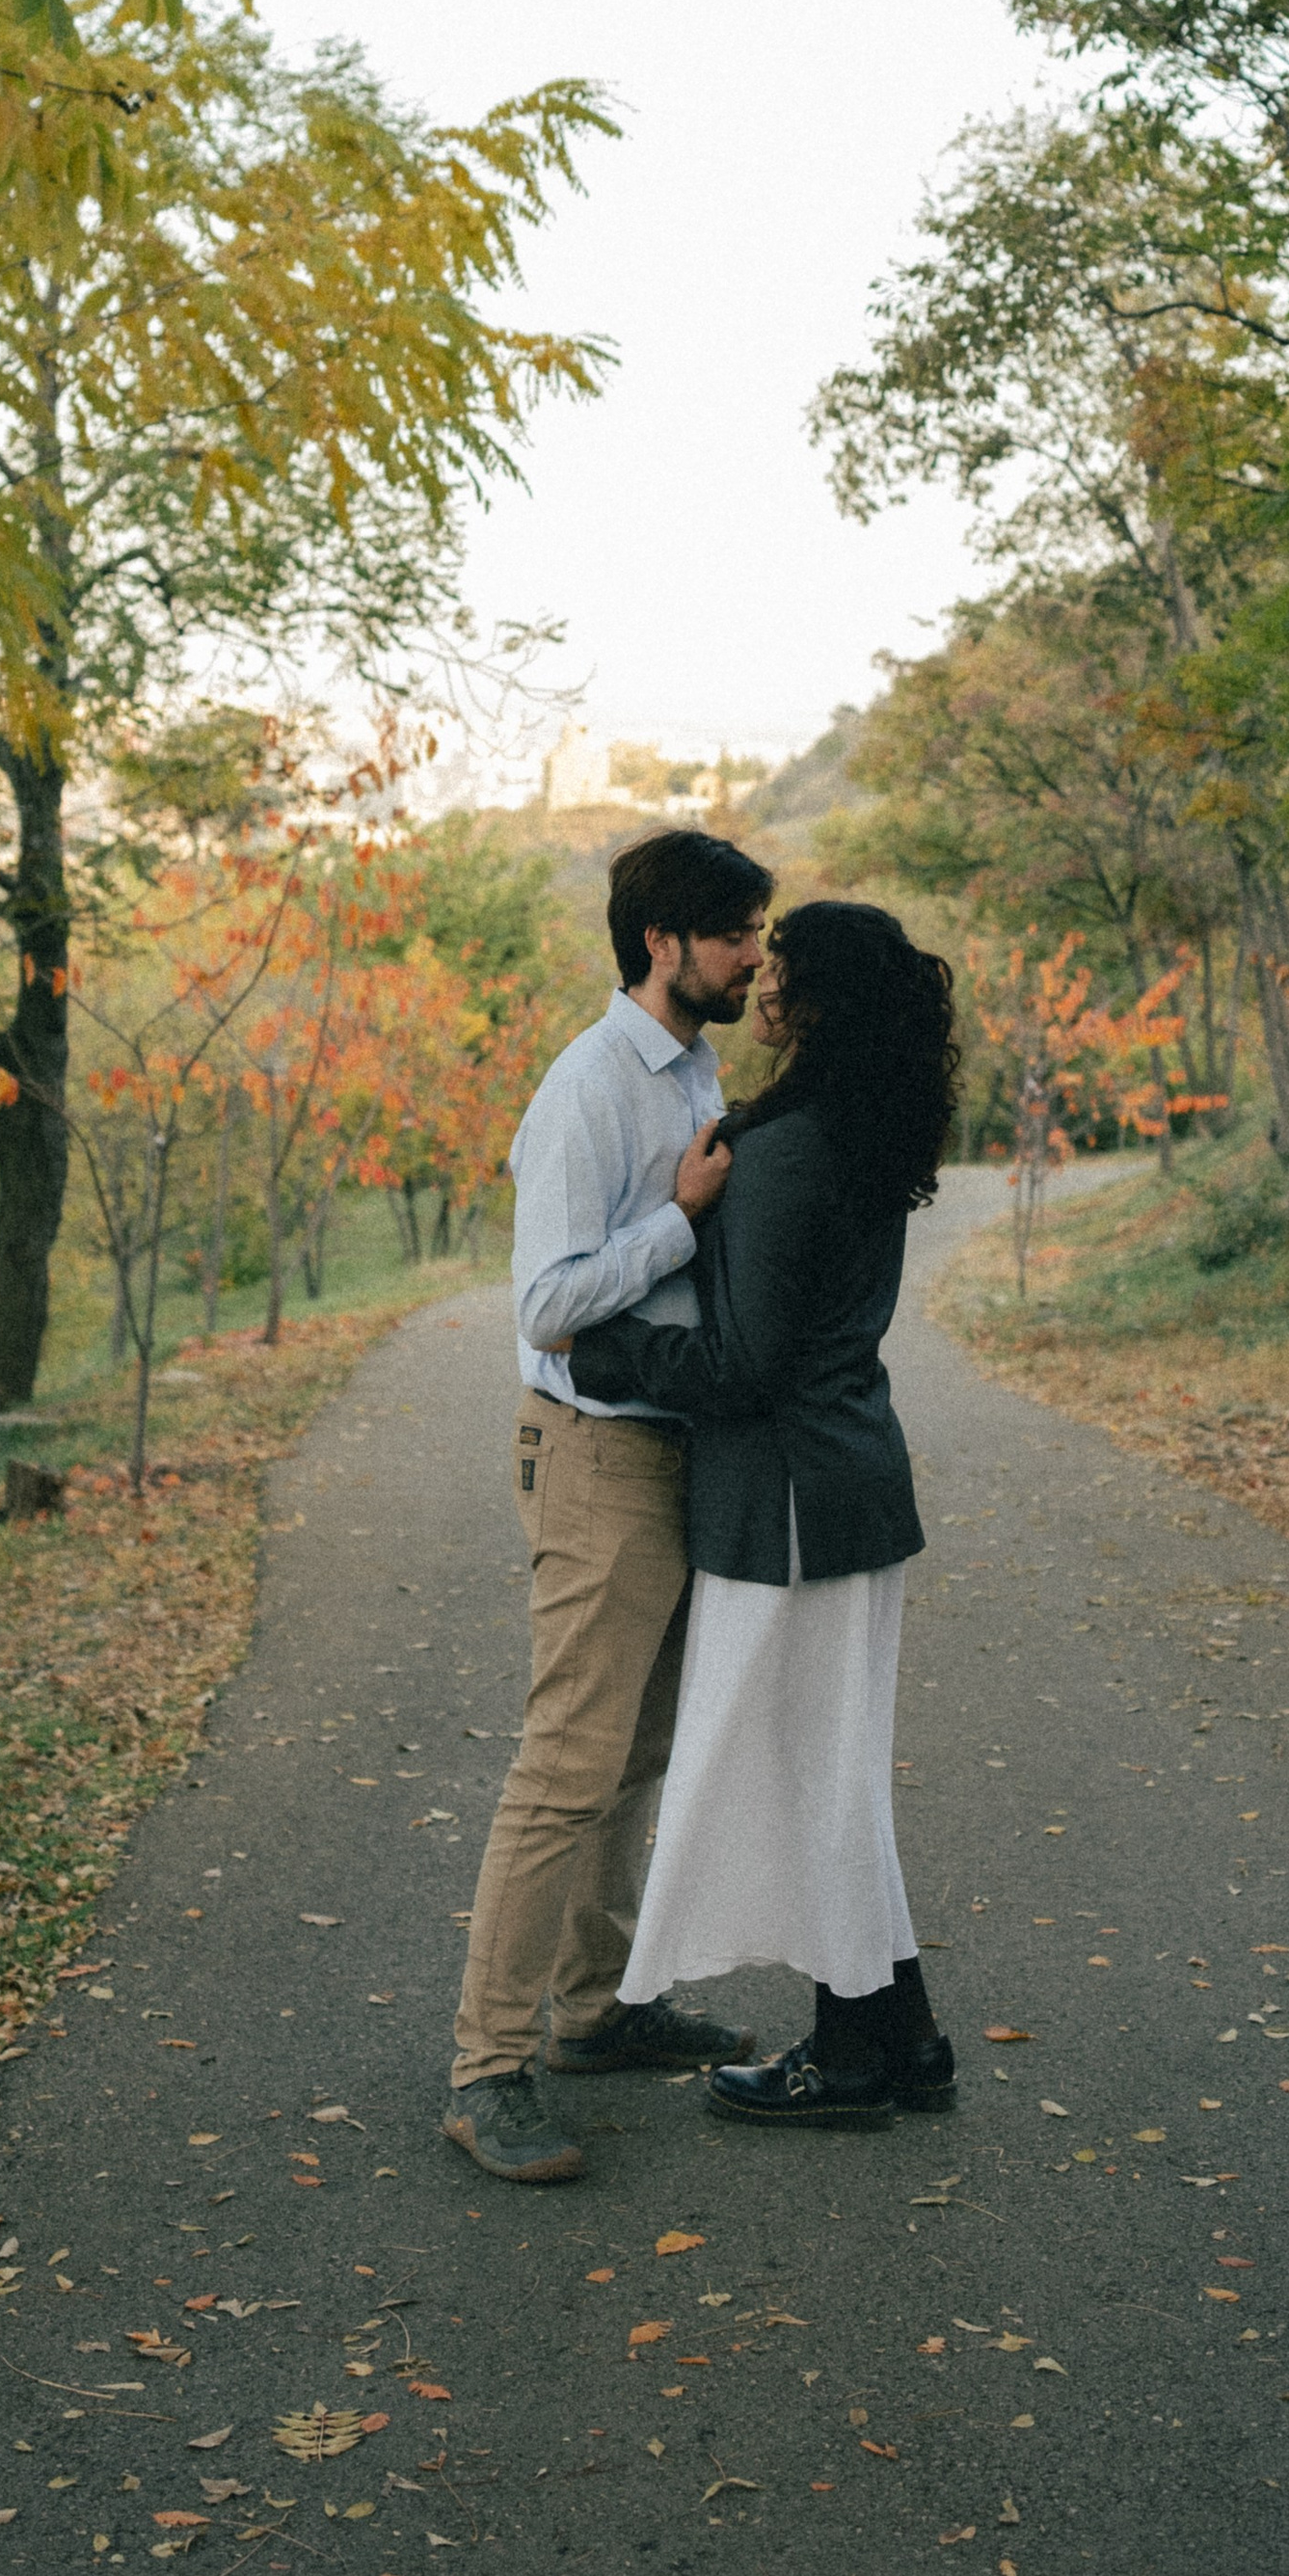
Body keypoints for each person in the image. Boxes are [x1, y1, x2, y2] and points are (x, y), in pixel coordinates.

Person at [563, 898, 960, 2127]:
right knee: (830, 1773)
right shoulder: (850, 1123)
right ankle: (902, 2037)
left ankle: (846, 2058)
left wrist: (607, 1348)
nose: (765, 977)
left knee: (807, 1782)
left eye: (782, 964)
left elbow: (743, 1367)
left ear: (819, 1000)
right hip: (841, 1487)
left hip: (791, 1502)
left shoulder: (790, 1151)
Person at [442, 824, 777, 2187]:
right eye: (735, 932)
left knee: (635, 1754)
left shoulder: (692, 1062)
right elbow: (544, 1304)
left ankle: (593, 2011)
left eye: (758, 931)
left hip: (669, 1441)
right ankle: (485, 2070)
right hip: (592, 1450)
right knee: (565, 1765)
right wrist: (683, 1220)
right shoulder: (586, 1089)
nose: (756, 955)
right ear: (662, 942)